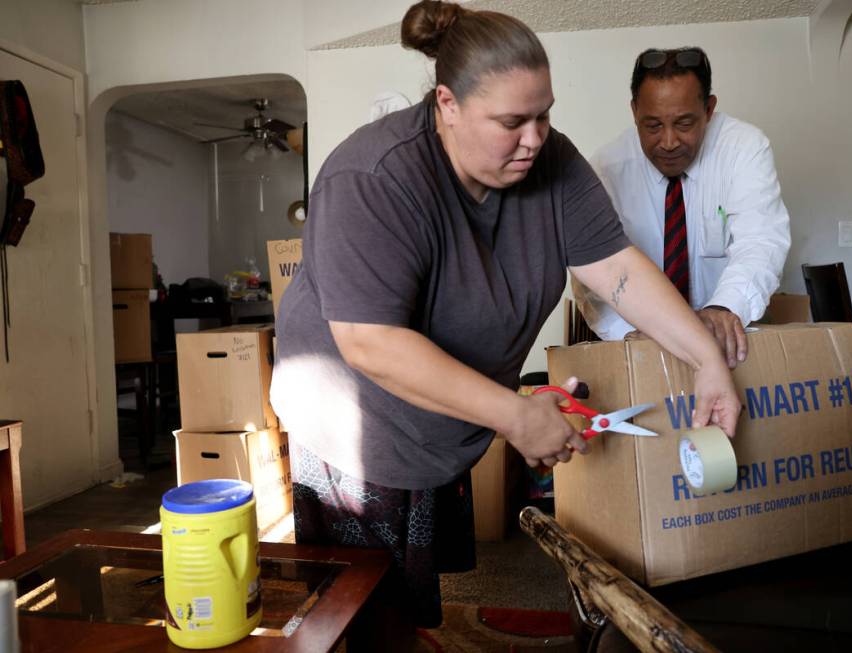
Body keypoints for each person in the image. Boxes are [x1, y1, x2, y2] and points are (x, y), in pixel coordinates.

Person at [270, 3, 740, 646]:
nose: (535, 138)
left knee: (413, 598)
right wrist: (515, 416)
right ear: (447, 104)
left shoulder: (552, 162)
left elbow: (617, 270)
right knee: (359, 613)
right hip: (357, 421)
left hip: (447, 413)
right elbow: (369, 342)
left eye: (544, 114)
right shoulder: (373, 178)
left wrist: (706, 360)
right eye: (512, 121)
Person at [574, 47, 791, 368]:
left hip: (731, 331)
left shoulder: (745, 148)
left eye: (684, 123)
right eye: (652, 126)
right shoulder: (606, 170)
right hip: (641, 340)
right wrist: (633, 334)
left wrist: (724, 310)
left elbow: (761, 241)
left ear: (709, 109)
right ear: (634, 111)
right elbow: (592, 274)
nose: (669, 141)